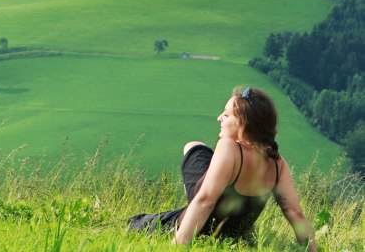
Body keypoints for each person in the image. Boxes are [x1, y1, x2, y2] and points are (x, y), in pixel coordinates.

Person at [128, 86, 317, 250]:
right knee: (195, 146)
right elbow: (295, 213)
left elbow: (205, 200)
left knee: (136, 223)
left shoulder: (229, 146)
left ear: (243, 122)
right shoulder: (278, 163)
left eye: (226, 115)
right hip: (234, 236)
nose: (219, 118)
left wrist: (178, 246)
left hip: (197, 228)